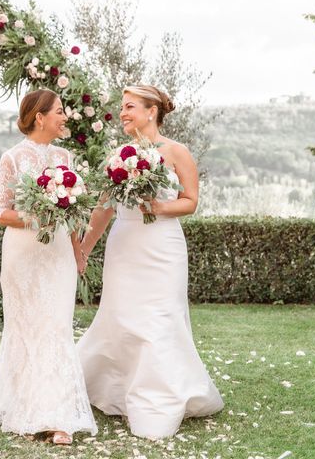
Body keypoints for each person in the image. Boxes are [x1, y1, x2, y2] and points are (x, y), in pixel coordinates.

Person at [76, 85, 224, 439]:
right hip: (124, 243)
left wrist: (158, 207)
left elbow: (190, 201)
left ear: (151, 111)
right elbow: (104, 208)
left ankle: (158, 398)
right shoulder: (118, 154)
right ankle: (114, 388)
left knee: (159, 318)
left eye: (129, 107)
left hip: (163, 246)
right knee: (120, 315)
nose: (123, 113)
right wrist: (83, 249)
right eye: (122, 108)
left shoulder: (176, 151)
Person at [0, 89, 97, 445]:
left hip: (58, 252)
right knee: (27, 328)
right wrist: (38, 215)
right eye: (60, 111)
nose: (65, 117)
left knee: (56, 327)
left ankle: (57, 414)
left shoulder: (66, 157)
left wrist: (78, 251)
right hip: (24, 254)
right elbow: (1, 213)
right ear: (39, 116)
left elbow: (76, 213)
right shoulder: (12, 158)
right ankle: (25, 406)